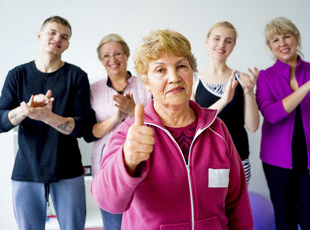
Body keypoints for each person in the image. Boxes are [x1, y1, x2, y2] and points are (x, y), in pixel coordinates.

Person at [90, 29, 253, 229]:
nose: (174, 77)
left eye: (181, 66)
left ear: (192, 73)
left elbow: (237, 204)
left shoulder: (217, 129)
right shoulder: (131, 133)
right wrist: (127, 161)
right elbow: (108, 202)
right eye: (160, 70)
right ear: (147, 82)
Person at [0, 16, 90, 230]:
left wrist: (48, 117)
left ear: (68, 44)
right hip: (27, 170)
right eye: (52, 32)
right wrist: (25, 110)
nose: (57, 38)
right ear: (39, 36)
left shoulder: (77, 76)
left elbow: (83, 126)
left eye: (64, 36)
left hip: (68, 169)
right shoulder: (17, 75)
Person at [255, 17, 310, 230]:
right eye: (275, 40)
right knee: (285, 221)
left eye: (287, 36)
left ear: (297, 39)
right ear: (270, 47)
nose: (282, 43)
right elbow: (272, 114)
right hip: (277, 162)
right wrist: (306, 88)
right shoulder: (266, 77)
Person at [83, 33, 151, 229]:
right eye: (106, 56)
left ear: (127, 55)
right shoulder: (93, 90)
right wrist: (117, 117)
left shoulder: (146, 84)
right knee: (113, 223)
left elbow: (161, 125)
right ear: (100, 60)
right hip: (107, 166)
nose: (112, 60)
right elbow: (90, 133)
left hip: (143, 164)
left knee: (145, 221)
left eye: (118, 53)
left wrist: (133, 110)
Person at [191, 21, 259, 185]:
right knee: (212, 210)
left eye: (228, 41)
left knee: (237, 211)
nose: (222, 44)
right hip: (205, 160)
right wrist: (224, 100)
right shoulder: (193, 80)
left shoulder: (242, 79)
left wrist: (249, 93)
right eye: (217, 38)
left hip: (238, 158)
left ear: (233, 46)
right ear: (206, 42)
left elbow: (253, 126)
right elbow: (195, 123)